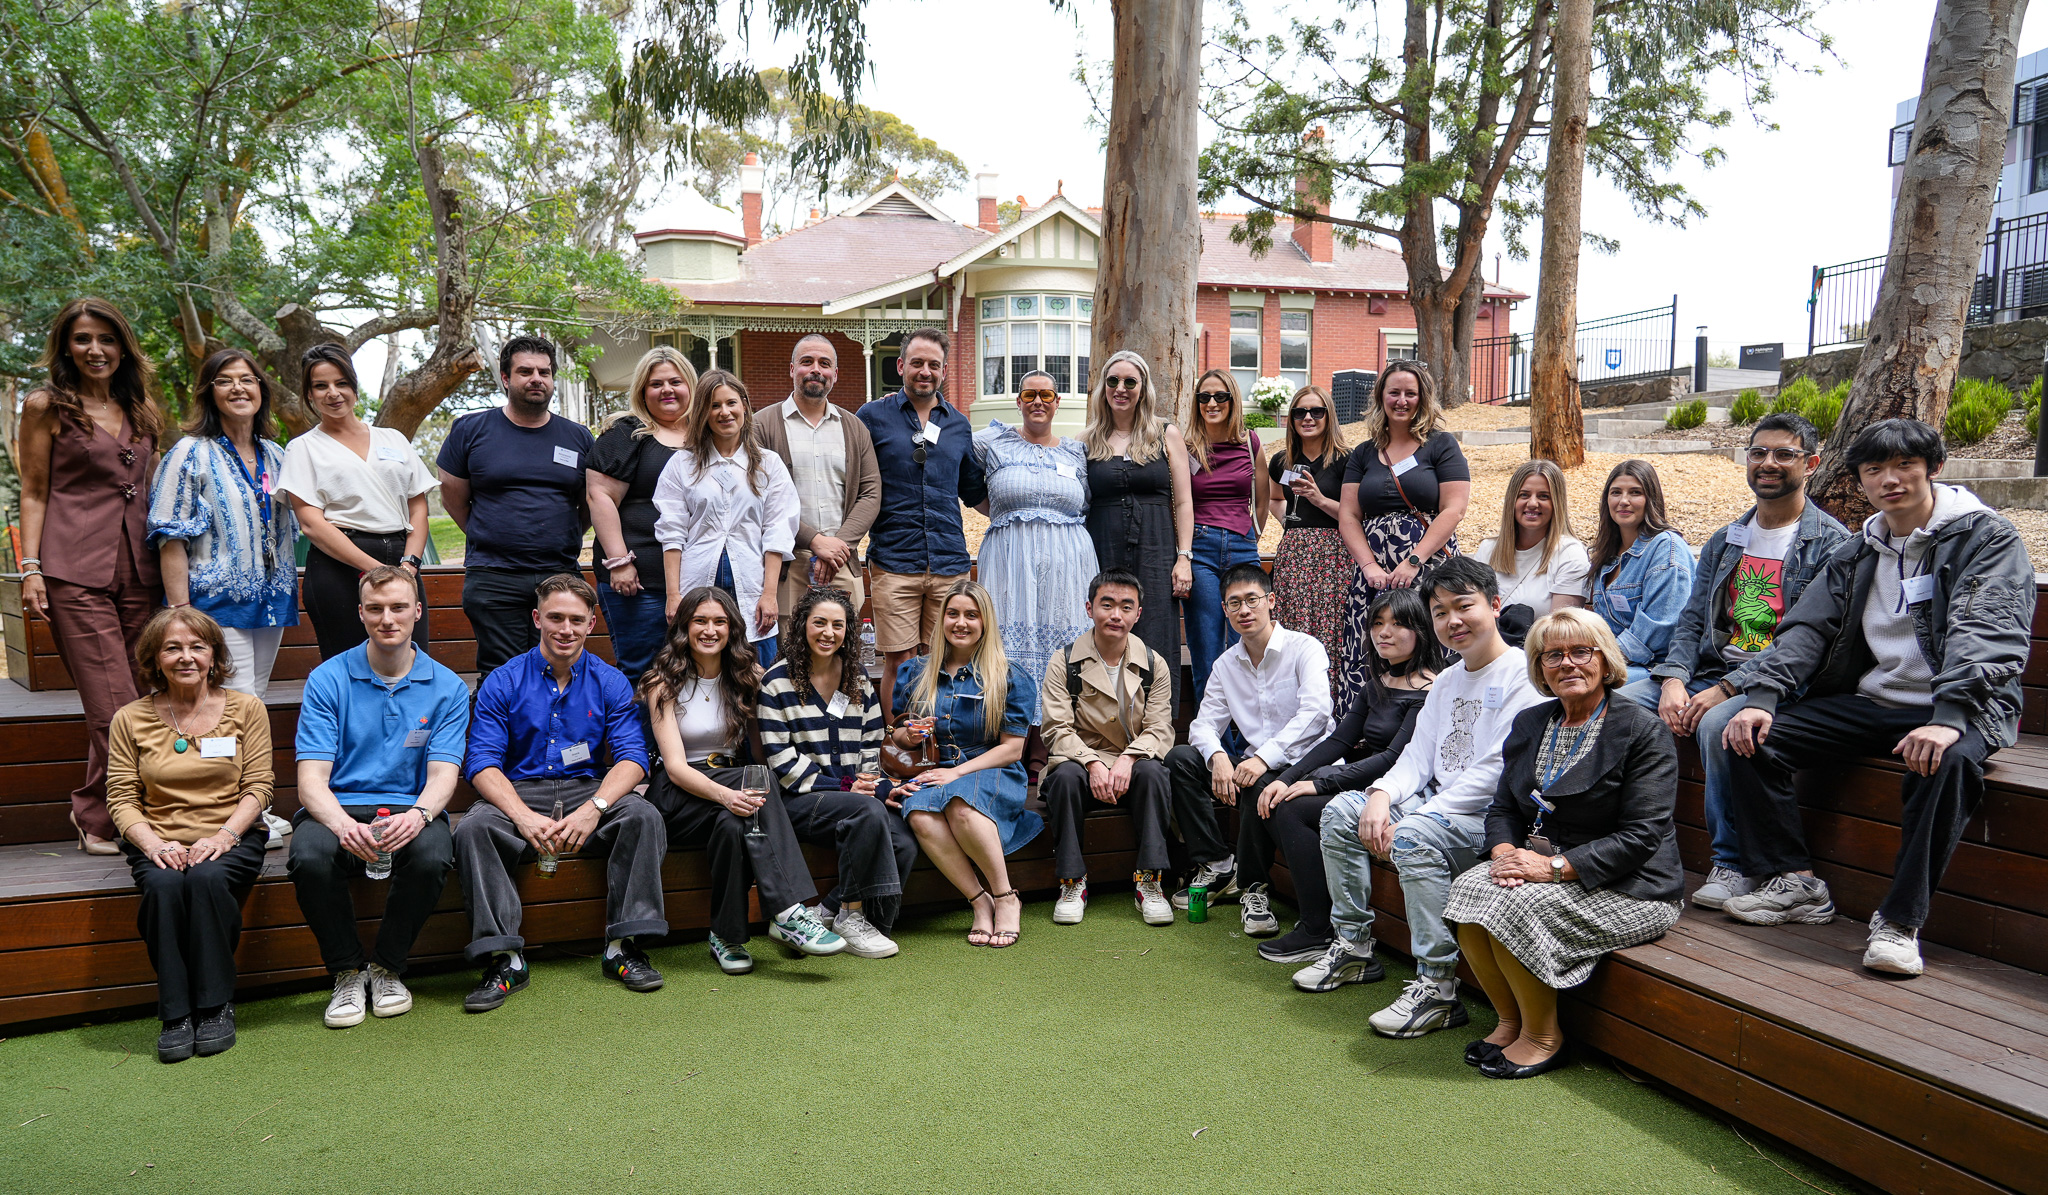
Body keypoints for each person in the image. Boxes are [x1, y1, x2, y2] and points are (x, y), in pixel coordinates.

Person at [1720, 418, 2034, 978]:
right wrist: (1762, 695)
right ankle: (1794, 882)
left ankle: (1899, 921)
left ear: (1934, 468)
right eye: (1874, 469)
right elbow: (1808, 628)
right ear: (1860, 479)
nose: (1890, 480)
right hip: (1877, 702)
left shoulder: (1985, 539)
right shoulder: (1859, 549)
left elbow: (1986, 629)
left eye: (1904, 465)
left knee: (1946, 763)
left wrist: (1950, 716)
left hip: (1963, 705)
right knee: (1750, 736)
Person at [1619, 414, 1848, 910]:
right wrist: (1673, 679)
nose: (1768, 463)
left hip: (1776, 683)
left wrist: (1728, 688)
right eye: (1759, 452)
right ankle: (1626, 840)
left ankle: (1733, 862)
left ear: (1810, 464)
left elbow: (1807, 642)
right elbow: (1690, 621)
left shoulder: (1830, 544)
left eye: (1784, 454)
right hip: (1708, 671)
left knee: (1716, 724)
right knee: (1620, 704)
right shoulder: (1728, 537)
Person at [1445, 608, 1684, 1078]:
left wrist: (1549, 869)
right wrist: (1504, 854)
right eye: (1552, 655)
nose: (1568, 663)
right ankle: (1510, 1021)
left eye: (1581, 651)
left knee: (1515, 905)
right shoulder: (1532, 723)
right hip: (1546, 870)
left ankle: (1543, 1037)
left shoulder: (1641, 730)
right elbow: (1503, 808)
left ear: (1605, 660)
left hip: (1631, 885)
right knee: (1469, 887)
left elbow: (1641, 836)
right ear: (1540, 667)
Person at [1320, 555, 1546, 1039]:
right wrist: (1380, 795)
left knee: (1414, 836)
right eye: (1440, 612)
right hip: (1435, 804)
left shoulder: (1522, 677)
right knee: (1341, 811)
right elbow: (1417, 757)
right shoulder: (1447, 679)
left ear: (1494, 604)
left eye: (1464, 606)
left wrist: (1417, 816)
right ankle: (1354, 947)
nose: (1452, 620)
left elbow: (1495, 772)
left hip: (1489, 821)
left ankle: (1438, 987)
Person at [454, 574, 668, 1010]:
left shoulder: (609, 681)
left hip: (587, 789)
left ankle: (622, 948)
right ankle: (505, 959)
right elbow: (481, 762)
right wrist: (521, 815)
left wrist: (596, 806)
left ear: (591, 623)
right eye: (555, 618)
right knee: (474, 828)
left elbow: (633, 758)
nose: (565, 629)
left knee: (643, 815)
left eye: (575, 619)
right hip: (520, 791)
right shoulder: (503, 681)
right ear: (537, 619)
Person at [288, 567, 469, 1029]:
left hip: (411, 806)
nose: (388, 619)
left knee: (432, 856)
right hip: (339, 805)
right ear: (361, 613)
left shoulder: (448, 686)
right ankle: (347, 972)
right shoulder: (328, 679)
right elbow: (311, 780)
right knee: (309, 856)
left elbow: (443, 774)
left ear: (417, 612)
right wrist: (341, 824)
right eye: (376, 609)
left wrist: (420, 815)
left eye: (398, 608)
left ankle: (387, 968)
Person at [16, 298, 166, 855]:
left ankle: (97, 811)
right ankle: (120, 817)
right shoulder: (45, 406)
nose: (95, 349)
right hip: (73, 571)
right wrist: (30, 568)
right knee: (112, 703)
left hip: (141, 570)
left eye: (107, 338)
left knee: (140, 696)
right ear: (66, 346)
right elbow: (34, 490)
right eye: (82, 339)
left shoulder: (142, 408)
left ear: (123, 346)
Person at [643, 586, 846, 974]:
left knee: (734, 825)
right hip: (678, 793)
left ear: (732, 628)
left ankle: (726, 936)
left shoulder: (748, 676)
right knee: (753, 786)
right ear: (684, 626)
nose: (710, 630)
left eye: (719, 621)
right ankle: (789, 911)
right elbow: (676, 768)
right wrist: (727, 795)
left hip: (730, 785)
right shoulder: (662, 682)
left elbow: (764, 745)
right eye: (700, 621)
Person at [106, 608, 272, 1062]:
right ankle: (176, 1014)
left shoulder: (247, 709)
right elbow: (120, 797)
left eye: (198, 647)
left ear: (214, 655)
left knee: (205, 880)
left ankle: (215, 1006)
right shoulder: (129, 719)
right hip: (158, 840)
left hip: (231, 836)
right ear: (154, 658)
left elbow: (259, 786)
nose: (186, 657)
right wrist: (153, 844)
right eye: (173, 648)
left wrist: (223, 837)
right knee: (163, 887)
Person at [1263, 587, 1445, 989]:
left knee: (1294, 809)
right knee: (1279, 797)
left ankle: (1318, 928)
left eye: (1397, 624)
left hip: (1403, 790)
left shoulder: (1431, 689)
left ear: (1421, 630)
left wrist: (1317, 784)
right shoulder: (1378, 682)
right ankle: (1314, 918)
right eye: (1377, 623)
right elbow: (1338, 741)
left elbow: (1393, 759)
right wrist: (1286, 777)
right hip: (1365, 780)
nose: (1384, 632)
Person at [1165, 563, 1334, 933]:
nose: (1244, 610)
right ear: (1224, 609)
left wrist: (1262, 757)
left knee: (1256, 781)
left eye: (1252, 600)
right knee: (1181, 759)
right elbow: (1203, 725)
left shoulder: (1304, 648)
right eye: (1234, 603)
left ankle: (1253, 889)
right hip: (1253, 765)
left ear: (1270, 601)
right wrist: (1218, 757)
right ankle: (1218, 863)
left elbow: (1317, 714)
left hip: (1308, 765)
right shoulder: (1226, 664)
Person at [758, 587, 916, 958]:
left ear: (848, 631)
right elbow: (783, 764)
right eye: (820, 623)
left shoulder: (857, 678)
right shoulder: (777, 682)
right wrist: (850, 788)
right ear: (802, 625)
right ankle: (850, 914)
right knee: (868, 811)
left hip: (854, 799)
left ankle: (827, 910)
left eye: (838, 625)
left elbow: (872, 746)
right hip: (800, 801)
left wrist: (877, 786)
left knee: (904, 842)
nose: (828, 632)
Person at [890, 580, 1038, 948]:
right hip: (933, 768)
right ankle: (979, 901)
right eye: (953, 614)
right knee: (919, 813)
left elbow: (1012, 749)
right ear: (941, 619)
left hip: (991, 768)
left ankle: (1006, 897)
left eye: (971, 615)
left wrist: (956, 772)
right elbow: (897, 735)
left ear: (985, 622)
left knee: (960, 804)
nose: (961, 622)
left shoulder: (1009, 675)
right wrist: (909, 736)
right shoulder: (914, 671)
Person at [437, 335, 593, 680]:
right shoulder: (470, 430)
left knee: (561, 669)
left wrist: (561, 535)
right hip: (494, 575)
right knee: (500, 674)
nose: (536, 379)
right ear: (506, 378)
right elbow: (453, 497)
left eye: (544, 372)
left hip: (560, 573)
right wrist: (490, 532)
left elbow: (588, 505)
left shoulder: (578, 437)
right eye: (525, 371)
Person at [149, 348, 300, 700]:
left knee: (254, 699)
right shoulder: (189, 453)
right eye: (224, 381)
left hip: (272, 601)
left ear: (261, 390)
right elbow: (169, 537)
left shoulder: (277, 455)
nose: (238, 388)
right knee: (236, 699)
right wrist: (181, 613)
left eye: (247, 379)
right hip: (215, 604)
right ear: (209, 393)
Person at [858, 327, 989, 724]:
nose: (925, 371)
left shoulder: (958, 425)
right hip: (894, 560)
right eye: (917, 363)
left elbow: (973, 489)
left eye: (934, 365)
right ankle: (896, 742)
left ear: (944, 371)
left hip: (949, 562)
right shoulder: (872, 417)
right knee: (900, 660)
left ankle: (938, 741)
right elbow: (854, 479)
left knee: (943, 659)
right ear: (901, 366)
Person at [1039, 569, 1178, 926]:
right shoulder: (1064, 661)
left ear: (1138, 614)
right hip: (1080, 763)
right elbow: (1056, 729)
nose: (1116, 615)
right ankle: (1072, 882)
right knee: (1064, 778)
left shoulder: (1154, 664)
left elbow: (1160, 728)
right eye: (1107, 604)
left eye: (1126, 607)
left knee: (1154, 772)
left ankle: (1149, 880)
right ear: (1090, 608)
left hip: (1132, 765)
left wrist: (1129, 758)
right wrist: (1092, 763)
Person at [1335, 361, 1470, 711]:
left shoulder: (1441, 445)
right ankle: (1364, 727)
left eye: (1411, 393)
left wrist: (1413, 560)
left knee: (1430, 643)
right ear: (1381, 397)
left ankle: (1431, 722)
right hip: (1373, 575)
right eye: (1394, 392)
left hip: (1428, 567)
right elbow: (1348, 515)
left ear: (1423, 398)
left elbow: (1453, 509)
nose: (1402, 400)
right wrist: (1368, 566)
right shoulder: (1364, 452)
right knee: (1370, 647)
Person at [654, 369, 800, 668]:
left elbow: (777, 531)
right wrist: (673, 594)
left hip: (751, 582)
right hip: (697, 579)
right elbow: (672, 532)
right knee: (696, 668)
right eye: (714, 405)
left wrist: (769, 594)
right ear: (702, 413)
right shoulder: (682, 464)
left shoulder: (769, 464)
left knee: (757, 671)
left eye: (731, 403)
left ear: (744, 405)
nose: (724, 412)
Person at [972, 370, 1100, 709]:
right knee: (1004, 644)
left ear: (1058, 402)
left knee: (1064, 642)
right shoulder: (993, 442)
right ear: (1018, 402)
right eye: (1029, 395)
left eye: (1046, 395)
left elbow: (1088, 503)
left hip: (1068, 566)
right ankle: (1008, 727)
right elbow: (954, 449)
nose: (1038, 402)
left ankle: (1061, 730)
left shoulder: (1076, 452)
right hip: (1009, 561)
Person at [1082, 350, 1194, 714]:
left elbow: (1184, 502)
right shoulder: (1087, 440)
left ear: (1143, 388)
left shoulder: (1165, 434)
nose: (1121, 388)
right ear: (1103, 387)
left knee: (1157, 633)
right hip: (1103, 548)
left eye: (1130, 381)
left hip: (1156, 549)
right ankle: (1104, 724)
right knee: (1106, 633)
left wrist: (1184, 557)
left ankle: (1157, 729)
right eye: (1113, 381)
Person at [588, 345, 697, 691]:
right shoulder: (628, 433)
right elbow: (600, 496)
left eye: (675, 382)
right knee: (644, 674)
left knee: (695, 674)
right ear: (642, 391)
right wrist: (619, 562)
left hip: (698, 579)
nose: (667, 390)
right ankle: (642, 732)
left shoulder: (707, 434)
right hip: (640, 583)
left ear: (691, 386)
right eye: (656, 384)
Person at [755, 334, 881, 632]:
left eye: (824, 364)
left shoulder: (854, 428)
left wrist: (838, 546)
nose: (816, 369)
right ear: (792, 369)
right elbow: (759, 497)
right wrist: (814, 541)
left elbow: (871, 492)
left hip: (841, 562)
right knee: (788, 651)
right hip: (785, 564)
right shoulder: (762, 425)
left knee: (841, 649)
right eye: (807, 362)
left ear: (835, 373)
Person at [1183, 370, 1272, 700]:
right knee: (1206, 649)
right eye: (1204, 397)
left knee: (1248, 647)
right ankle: (1211, 732)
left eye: (1220, 396)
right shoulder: (1186, 446)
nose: (1212, 403)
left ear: (1233, 401)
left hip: (1242, 549)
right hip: (1200, 551)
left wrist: (1249, 537)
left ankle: (1246, 731)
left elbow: (1261, 501)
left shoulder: (1250, 443)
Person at [1268, 385, 1354, 696]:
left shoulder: (1347, 461)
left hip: (1334, 555)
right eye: (1300, 412)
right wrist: (1289, 521)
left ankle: (1331, 706)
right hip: (1294, 556)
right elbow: (1275, 499)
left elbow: (1356, 515)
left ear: (1329, 416)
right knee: (1293, 628)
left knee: (1332, 630)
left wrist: (1318, 500)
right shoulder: (1282, 461)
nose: (1308, 417)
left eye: (1316, 411)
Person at [1586, 459, 1694, 686]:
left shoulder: (1666, 547)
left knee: (1582, 685)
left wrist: (1601, 662)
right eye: (1616, 492)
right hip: (1614, 661)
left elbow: (1661, 627)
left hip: (1657, 669)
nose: (1623, 501)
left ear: (1650, 499)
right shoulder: (1606, 555)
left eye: (1635, 492)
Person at [1471, 459, 1589, 626]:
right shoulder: (1488, 549)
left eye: (1543, 496)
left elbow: (1560, 631)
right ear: (1512, 500)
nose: (1532, 503)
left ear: (1557, 503)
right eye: (1524, 495)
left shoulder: (1569, 553)